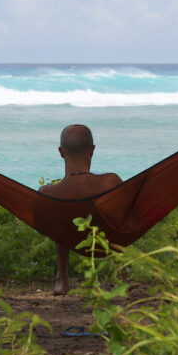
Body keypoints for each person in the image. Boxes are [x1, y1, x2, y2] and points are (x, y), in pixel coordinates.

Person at [39, 124, 122, 295]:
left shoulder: (47, 193)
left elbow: (42, 223)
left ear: (61, 152)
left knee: (59, 217)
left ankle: (62, 279)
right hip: (107, 242)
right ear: (92, 150)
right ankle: (123, 274)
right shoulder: (110, 182)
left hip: (70, 237)